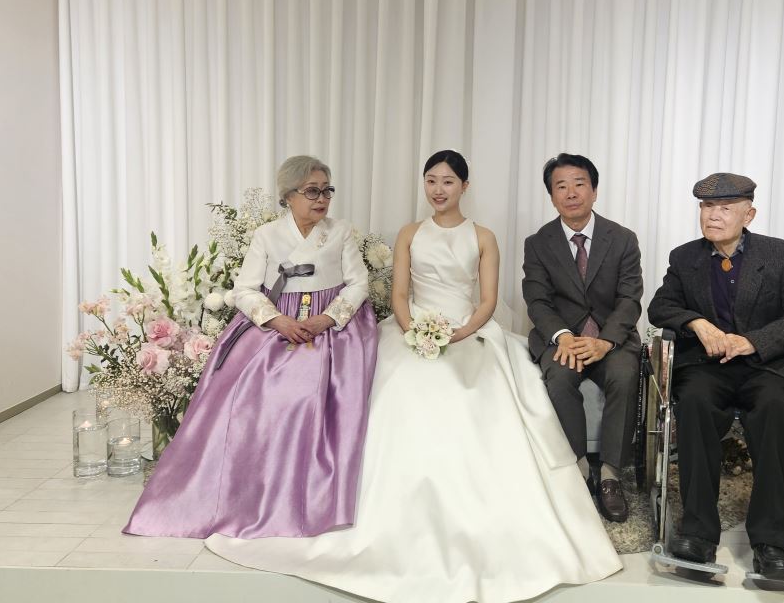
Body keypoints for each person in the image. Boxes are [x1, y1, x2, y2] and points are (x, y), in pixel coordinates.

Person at [205, 150, 621, 603]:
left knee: (480, 393)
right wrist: (413, 332)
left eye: (448, 181)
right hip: (413, 329)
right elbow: (400, 294)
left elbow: (487, 300)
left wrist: (461, 332)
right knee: (398, 390)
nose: (438, 190)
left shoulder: (483, 237)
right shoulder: (409, 233)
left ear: (465, 186)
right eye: (431, 181)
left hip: (468, 331)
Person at [124, 155, 378, 539]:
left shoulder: (339, 232)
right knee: (246, 392)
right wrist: (277, 320)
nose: (322, 199)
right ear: (288, 196)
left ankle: (312, 493)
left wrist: (327, 318)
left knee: (309, 396)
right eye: (312, 191)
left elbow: (359, 284)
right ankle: (243, 489)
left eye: (327, 190)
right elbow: (245, 289)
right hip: (277, 322)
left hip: (330, 328)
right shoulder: (267, 235)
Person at [647, 172, 784, 581]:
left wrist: (753, 341)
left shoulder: (781, 256)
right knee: (693, 404)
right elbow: (660, 307)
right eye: (707, 207)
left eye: (725, 208)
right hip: (708, 368)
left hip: (767, 368)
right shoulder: (685, 258)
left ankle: (771, 543)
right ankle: (697, 533)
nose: (713, 215)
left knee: (778, 411)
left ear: (748, 214)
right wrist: (697, 323)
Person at [522, 153, 643, 522]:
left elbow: (630, 298)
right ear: (551, 196)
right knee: (559, 379)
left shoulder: (622, 239)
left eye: (579, 184)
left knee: (624, 375)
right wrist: (562, 337)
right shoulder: (538, 243)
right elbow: (537, 300)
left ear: (594, 190)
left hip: (611, 339)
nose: (571, 193)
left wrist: (605, 341)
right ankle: (577, 468)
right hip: (565, 339)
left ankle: (609, 474)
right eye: (561, 186)